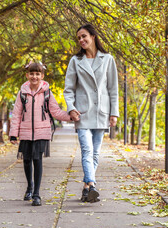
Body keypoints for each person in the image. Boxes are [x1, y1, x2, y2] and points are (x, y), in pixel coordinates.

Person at [63, 24, 119, 203]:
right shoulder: (75, 61)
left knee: (95, 153)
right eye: (78, 38)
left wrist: (114, 113)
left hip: (102, 112)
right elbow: (68, 89)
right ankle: (93, 184)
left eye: (84, 36)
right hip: (82, 112)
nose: (81, 40)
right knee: (87, 150)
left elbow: (113, 89)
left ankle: (86, 188)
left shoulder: (108, 59)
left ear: (93, 36)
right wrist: (71, 108)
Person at [9, 62, 71, 206]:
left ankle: (36, 194)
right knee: (26, 160)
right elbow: (17, 114)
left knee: (37, 160)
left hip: (42, 132)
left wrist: (70, 116)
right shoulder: (22, 93)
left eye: (37, 74)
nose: (34, 76)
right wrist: (13, 134)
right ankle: (29, 187)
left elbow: (55, 111)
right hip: (25, 132)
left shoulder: (47, 93)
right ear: (27, 75)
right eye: (32, 73)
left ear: (42, 76)